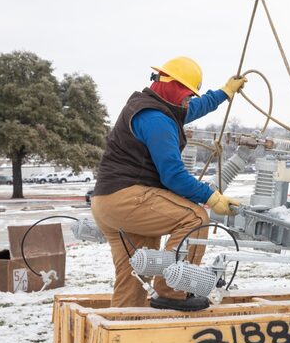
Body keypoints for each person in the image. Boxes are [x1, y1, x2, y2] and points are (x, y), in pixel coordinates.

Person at [91, 56, 244, 310]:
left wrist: (224, 93)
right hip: (128, 196)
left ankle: (122, 340)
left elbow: (192, 109)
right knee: (195, 218)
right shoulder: (157, 120)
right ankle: (173, 290)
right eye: (187, 95)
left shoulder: (154, 106)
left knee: (135, 275)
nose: (189, 102)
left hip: (106, 202)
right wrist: (212, 198)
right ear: (173, 87)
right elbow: (173, 176)